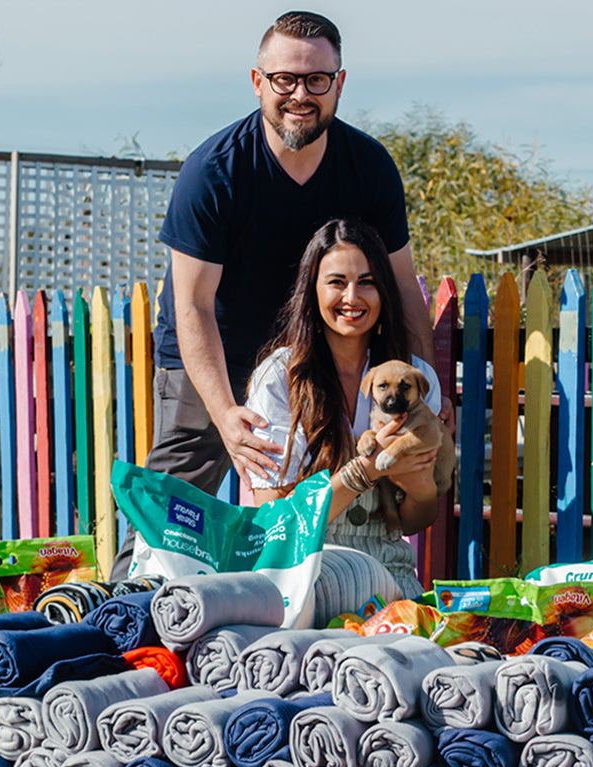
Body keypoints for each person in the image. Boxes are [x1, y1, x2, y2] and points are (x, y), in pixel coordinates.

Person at [149, 10, 435, 496]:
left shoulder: (370, 168)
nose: (300, 95)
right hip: (219, 358)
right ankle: (135, 576)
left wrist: (430, 382)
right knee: (175, 508)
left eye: (316, 80)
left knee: (306, 506)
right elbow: (192, 304)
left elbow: (403, 287)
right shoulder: (213, 172)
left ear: (339, 84)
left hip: (313, 363)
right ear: (258, 82)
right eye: (285, 79)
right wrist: (223, 414)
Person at [244, 219, 442, 623]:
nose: (352, 297)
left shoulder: (413, 378)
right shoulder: (280, 378)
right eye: (337, 281)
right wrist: (365, 471)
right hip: (305, 564)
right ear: (312, 289)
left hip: (392, 567)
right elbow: (275, 515)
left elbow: (417, 519)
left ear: (384, 290)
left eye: (367, 282)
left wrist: (420, 485)